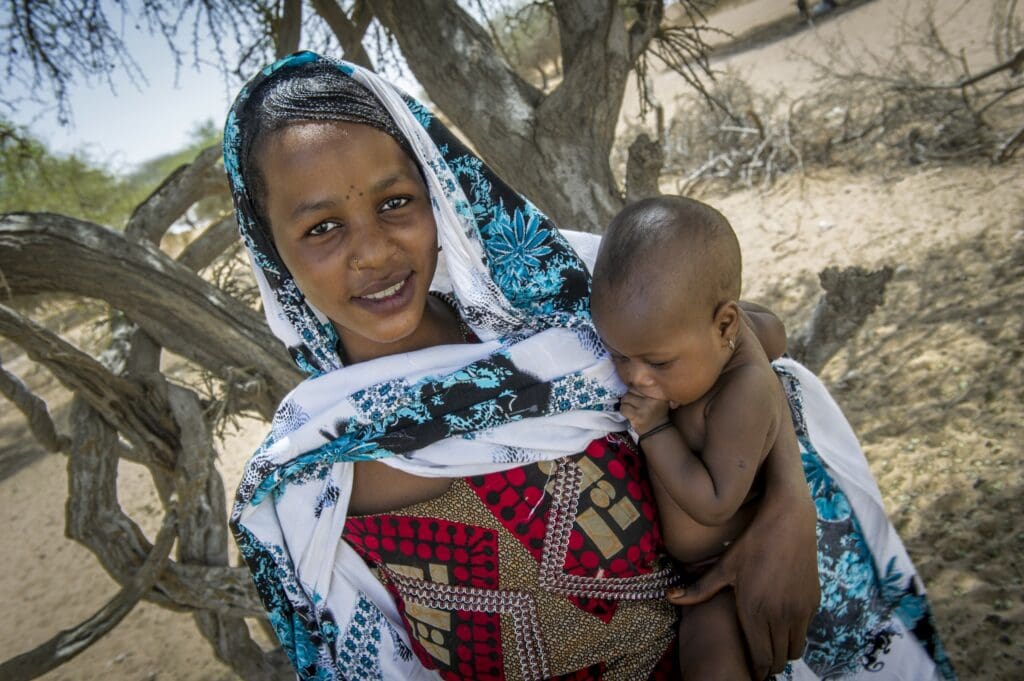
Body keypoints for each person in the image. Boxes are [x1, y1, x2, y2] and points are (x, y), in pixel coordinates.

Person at [225, 51, 955, 680]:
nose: (374, 252)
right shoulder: (308, 470)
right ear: (271, 252)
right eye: (321, 227)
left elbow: (746, 338)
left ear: (437, 193)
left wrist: (789, 503)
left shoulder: (561, 305)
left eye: (395, 202)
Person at [591, 196, 791, 679]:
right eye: (619, 355)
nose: (635, 378)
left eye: (658, 362)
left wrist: (656, 430)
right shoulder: (710, 343)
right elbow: (772, 330)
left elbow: (717, 502)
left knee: (711, 657)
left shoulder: (743, 393)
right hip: (685, 568)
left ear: (724, 325)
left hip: (724, 569)